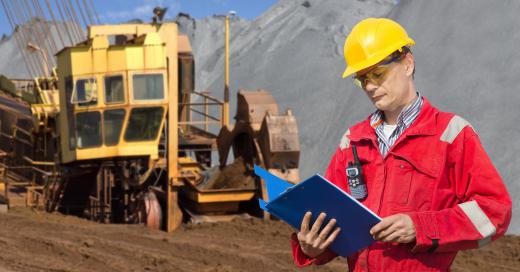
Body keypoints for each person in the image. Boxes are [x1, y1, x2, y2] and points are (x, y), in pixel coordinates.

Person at [290, 17, 512, 271]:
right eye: (362, 79)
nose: (370, 86)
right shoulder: (351, 141)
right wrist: (313, 247)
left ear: (407, 64)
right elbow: (333, 221)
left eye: (377, 73)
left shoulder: (451, 134)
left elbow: (494, 213)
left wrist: (420, 227)